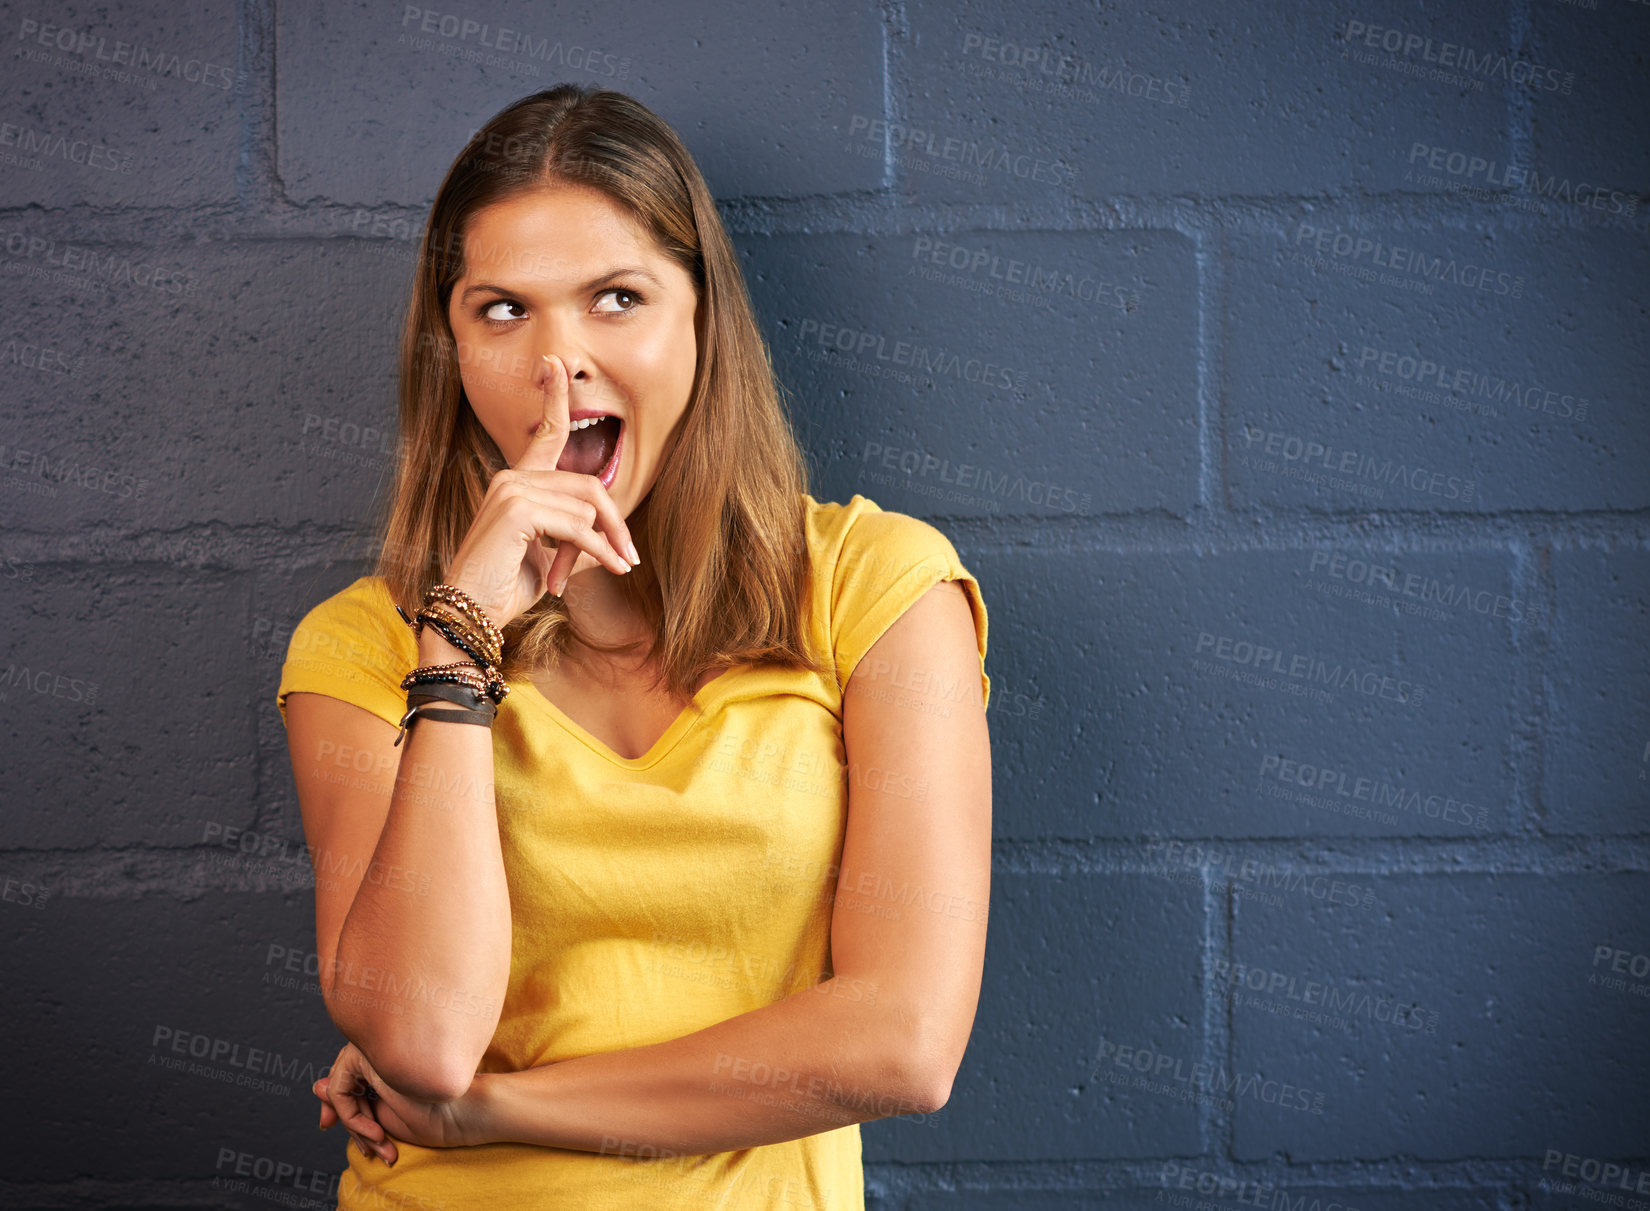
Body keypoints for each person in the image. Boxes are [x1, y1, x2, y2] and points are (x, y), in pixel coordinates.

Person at [276, 83, 992, 1210]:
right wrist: (458, 650)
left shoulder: (877, 586)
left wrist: (495, 1110)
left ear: (701, 317)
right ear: (450, 348)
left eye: (617, 297)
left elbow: (904, 1042)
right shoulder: (365, 645)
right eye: (503, 311)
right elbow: (422, 1035)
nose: (561, 367)